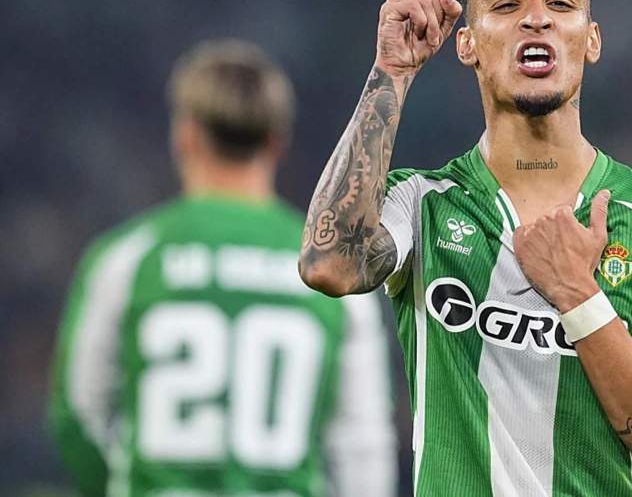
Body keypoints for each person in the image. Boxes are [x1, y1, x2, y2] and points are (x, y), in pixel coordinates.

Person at [298, 0, 632, 494]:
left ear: (591, 39)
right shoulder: (421, 205)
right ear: (467, 43)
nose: (536, 18)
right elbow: (329, 264)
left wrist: (580, 298)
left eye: (561, 3)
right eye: (506, 4)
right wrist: (392, 70)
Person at [49, 39, 397, 497]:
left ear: (186, 135)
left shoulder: (128, 258)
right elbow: (362, 445)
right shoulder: (330, 270)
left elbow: (79, 415)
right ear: (277, 142)